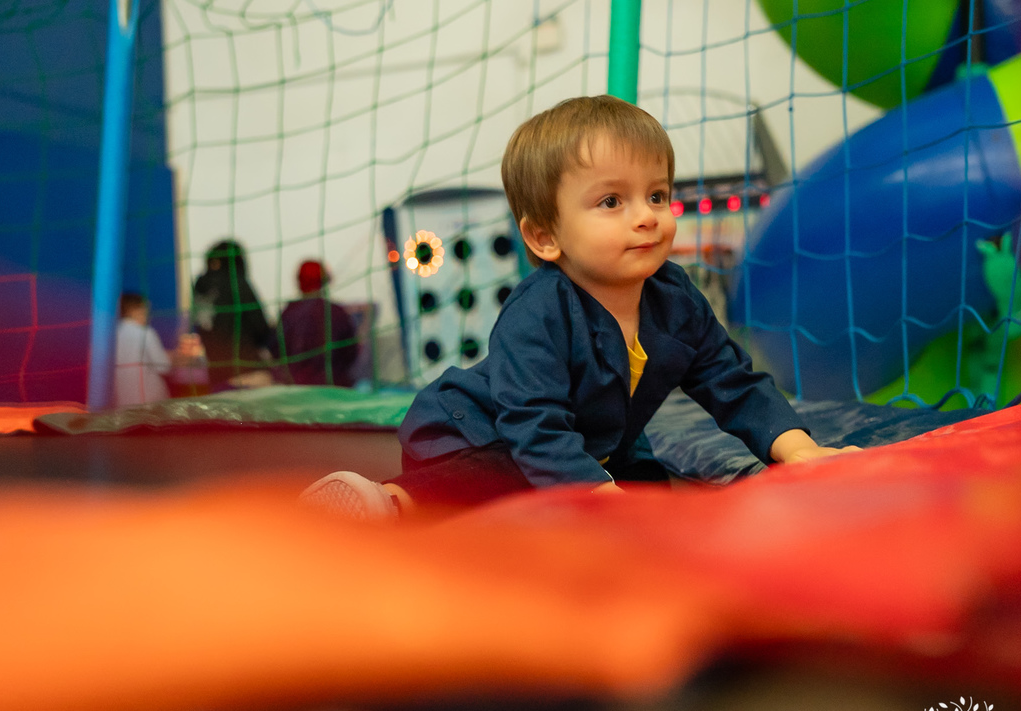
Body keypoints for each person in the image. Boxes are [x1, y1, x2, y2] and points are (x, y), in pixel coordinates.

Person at [301, 95, 859, 519]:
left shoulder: (676, 299)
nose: (646, 216)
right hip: (479, 430)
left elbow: (732, 382)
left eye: (657, 195)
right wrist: (593, 494)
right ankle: (391, 503)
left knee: (650, 487)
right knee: (502, 474)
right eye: (612, 201)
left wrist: (800, 450)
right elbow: (533, 422)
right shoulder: (540, 310)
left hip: (595, 441)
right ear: (545, 237)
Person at [192, 240, 274, 389]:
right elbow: (261, 330)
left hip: (216, 374)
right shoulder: (237, 283)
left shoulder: (200, 287)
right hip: (246, 371)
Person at [273, 259, 360, 387]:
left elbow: (276, 351)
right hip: (334, 388)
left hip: (297, 388)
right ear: (324, 281)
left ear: (299, 282)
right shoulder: (337, 312)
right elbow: (351, 353)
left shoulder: (288, 313)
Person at [114, 292, 173, 407]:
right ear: (134, 310)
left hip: (121, 403)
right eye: (145, 310)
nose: (148, 315)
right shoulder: (145, 333)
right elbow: (164, 367)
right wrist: (173, 357)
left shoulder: (109, 336)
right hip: (150, 399)